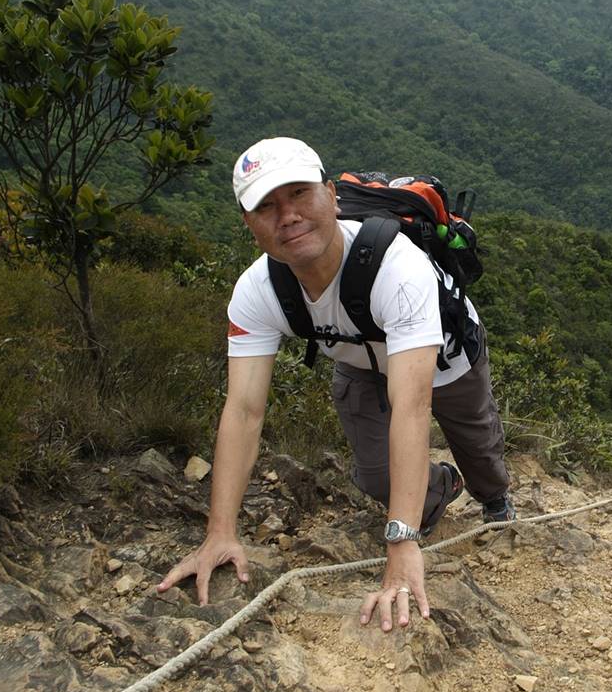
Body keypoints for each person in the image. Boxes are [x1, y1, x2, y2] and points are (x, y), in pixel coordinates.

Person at [157, 137, 514, 633]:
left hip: (446, 359)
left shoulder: (398, 268)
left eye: (299, 194)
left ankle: (494, 498)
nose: (288, 216)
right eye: (266, 206)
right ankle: (440, 488)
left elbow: (411, 407)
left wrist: (401, 545)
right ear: (249, 223)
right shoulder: (258, 292)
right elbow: (242, 410)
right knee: (376, 476)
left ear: (331, 195)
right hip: (358, 360)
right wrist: (220, 532)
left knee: (477, 445)